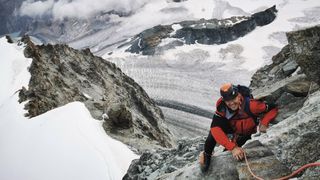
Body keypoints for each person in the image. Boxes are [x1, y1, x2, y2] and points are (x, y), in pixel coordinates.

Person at [199, 83, 278, 172]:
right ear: (224, 101)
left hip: (246, 133)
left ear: (238, 96)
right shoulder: (222, 108)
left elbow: (273, 108)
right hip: (233, 128)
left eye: (233, 99)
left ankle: (229, 149)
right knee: (212, 134)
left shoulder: (252, 106)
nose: (231, 103)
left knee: (230, 154)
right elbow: (215, 128)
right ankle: (207, 154)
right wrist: (233, 148)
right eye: (228, 101)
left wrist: (264, 123)